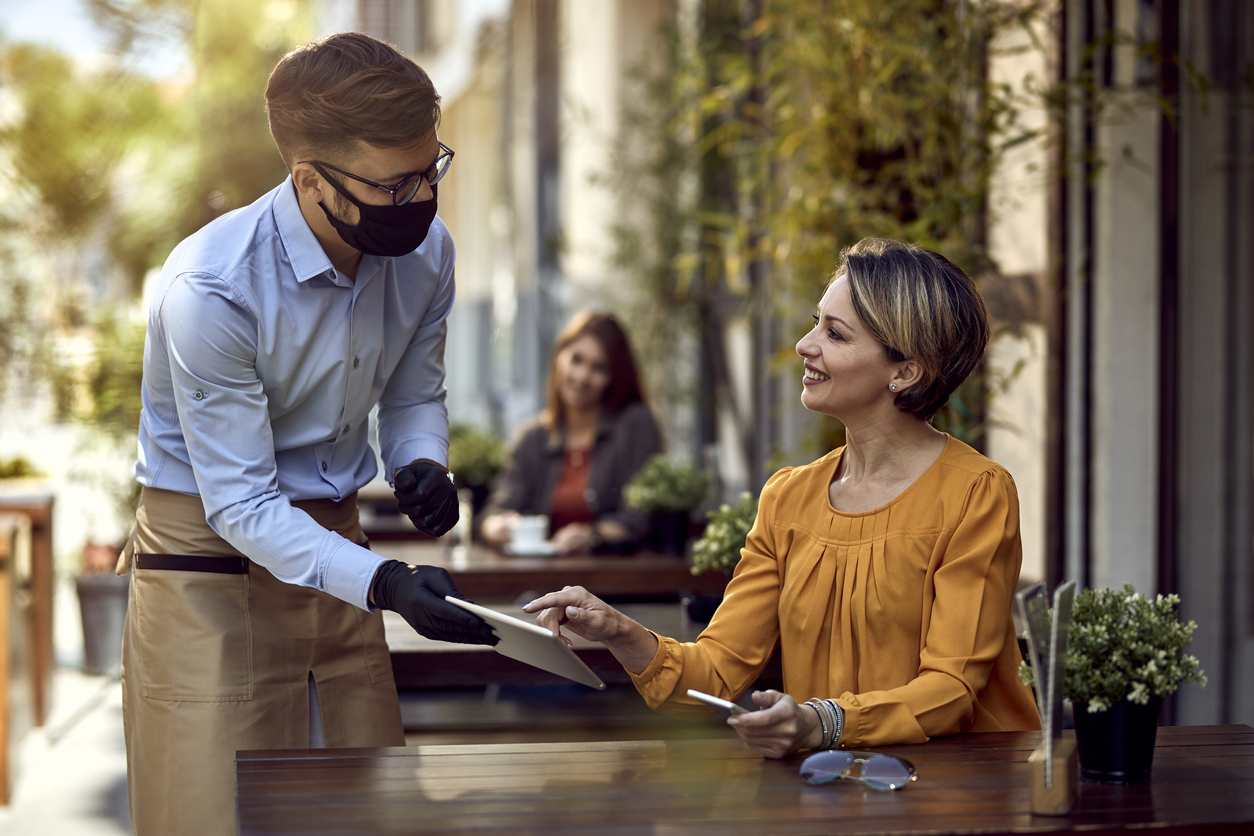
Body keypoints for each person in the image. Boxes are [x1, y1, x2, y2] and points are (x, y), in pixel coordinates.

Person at [118, 33, 497, 835]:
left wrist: (421, 459)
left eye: (432, 170)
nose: (422, 200)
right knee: (214, 819)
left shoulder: (427, 254)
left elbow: (413, 390)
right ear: (309, 180)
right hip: (207, 570)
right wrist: (387, 584)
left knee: (365, 813)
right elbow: (243, 504)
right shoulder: (211, 289)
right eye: (397, 185)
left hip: (339, 548)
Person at [524, 238, 1042, 757]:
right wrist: (617, 630)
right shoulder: (788, 498)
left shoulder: (975, 492)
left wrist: (824, 722)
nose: (804, 343)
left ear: (905, 371)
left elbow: (951, 690)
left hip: (964, 791)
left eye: (834, 334)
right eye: (816, 321)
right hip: (831, 785)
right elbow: (717, 671)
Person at [480, 311, 662, 554]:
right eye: (576, 359)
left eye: (599, 368)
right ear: (559, 357)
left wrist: (593, 536)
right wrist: (498, 526)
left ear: (614, 376)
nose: (582, 376)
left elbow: (642, 519)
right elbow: (493, 513)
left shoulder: (634, 425)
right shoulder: (532, 437)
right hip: (545, 582)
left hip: (614, 582)